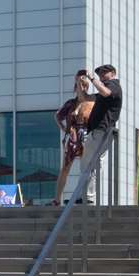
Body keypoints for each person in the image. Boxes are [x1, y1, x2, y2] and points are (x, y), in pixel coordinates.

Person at [65, 65, 121, 204]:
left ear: (113, 73)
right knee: (88, 164)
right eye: (100, 73)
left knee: (91, 164)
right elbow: (85, 98)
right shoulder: (104, 92)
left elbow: (106, 92)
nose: (102, 75)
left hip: (102, 130)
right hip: (98, 131)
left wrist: (92, 78)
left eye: (104, 73)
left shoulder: (113, 85)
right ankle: (84, 196)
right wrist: (79, 83)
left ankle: (87, 197)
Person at [52, 72, 94, 203]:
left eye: (84, 85)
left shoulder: (92, 101)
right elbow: (57, 116)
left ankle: (85, 196)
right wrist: (64, 128)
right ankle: (57, 199)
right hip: (73, 136)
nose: (81, 88)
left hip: (87, 136)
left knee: (86, 167)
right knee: (65, 168)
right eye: (79, 85)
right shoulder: (71, 103)